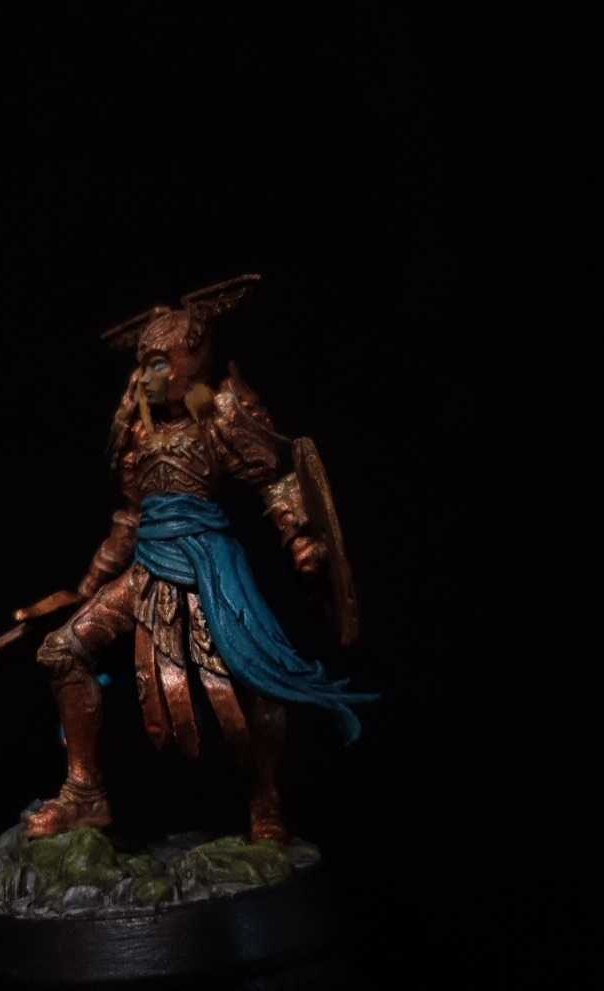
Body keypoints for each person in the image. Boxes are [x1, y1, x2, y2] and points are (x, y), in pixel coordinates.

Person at [26, 274, 376, 842]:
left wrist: (300, 542)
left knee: (261, 679)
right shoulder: (138, 434)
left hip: (213, 568)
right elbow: (130, 517)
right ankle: (85, 793)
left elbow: (276, 482)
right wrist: (89, 583)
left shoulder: (224, 416)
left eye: (159, 363)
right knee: (61, 651)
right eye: (144, 366)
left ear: (191, 360)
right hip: (147, 568)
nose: (147, 378)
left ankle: (266, 799)